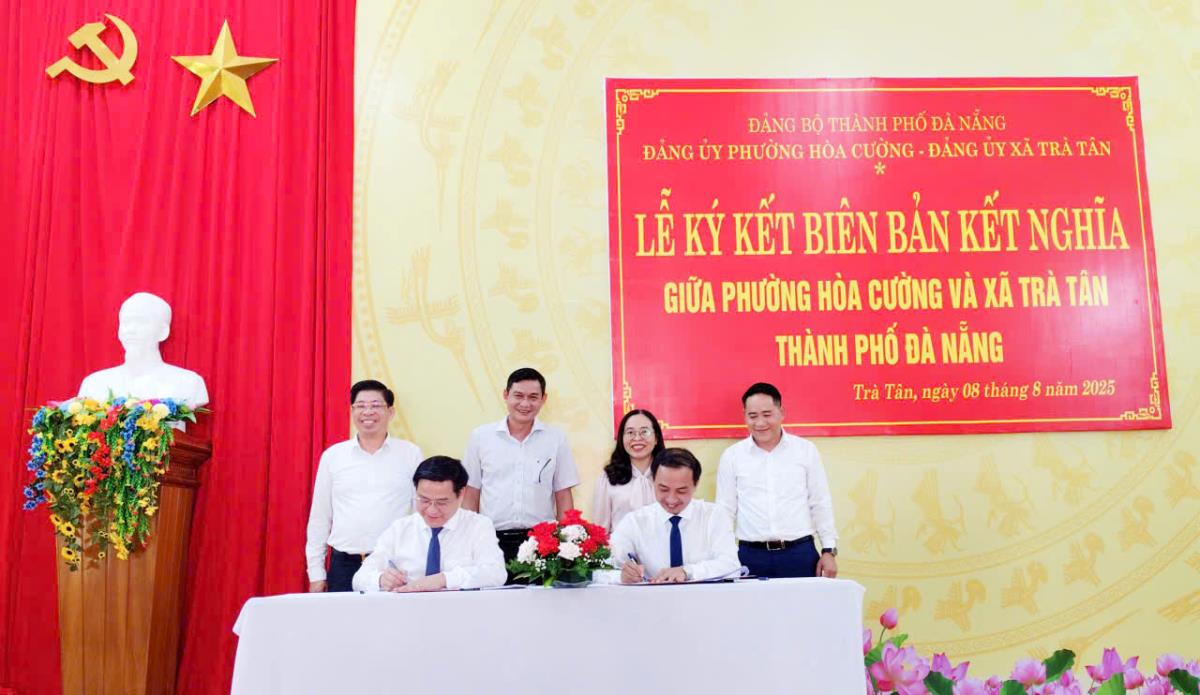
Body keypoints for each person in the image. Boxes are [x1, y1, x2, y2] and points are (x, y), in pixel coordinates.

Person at [305, 380, 422, 592]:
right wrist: (316, 573)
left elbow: (419, 512)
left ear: (391, 412)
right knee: (341, 615)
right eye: (360, 406)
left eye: (376, 405)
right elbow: (320, 517)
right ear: (352, 411)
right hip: (344, 564)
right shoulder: (333, 456)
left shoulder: (410, 454)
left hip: (393, 566)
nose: (368, 412)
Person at [716, 382, 839, 579]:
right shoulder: (732, 456)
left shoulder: (805, 450)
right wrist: (725, 556)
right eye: (752, 416)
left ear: (781, 412)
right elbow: (725, 510)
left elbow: (820, 502)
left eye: (767, 414)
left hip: (799, 553)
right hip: (750, 556)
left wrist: (828, 550)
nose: (760, 423)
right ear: (744, 416)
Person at [462, 367, 579, 572]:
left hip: (541, 543)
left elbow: (563, 495)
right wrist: (468, 539)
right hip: (490, 540)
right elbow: (471, 493)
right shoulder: (481, 437)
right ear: (506, 395)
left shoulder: (556, 439)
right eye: (518, 396)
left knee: (540, 594)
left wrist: (567, 544)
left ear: (543, 399)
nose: (525, 404)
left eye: (533, 397)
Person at [353, 456, 505, 592]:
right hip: (409, 611)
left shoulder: (478, 526)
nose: (432, 510)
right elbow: (359, 579)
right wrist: (381, 579)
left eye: (442, 502)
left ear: (461, 494)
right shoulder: (399, 529)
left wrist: (443, 580)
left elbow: (495, 573)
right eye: (424, 500)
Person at [601, 448, 740, 584]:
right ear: (653, 481)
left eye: (681, 491)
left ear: (695, 484)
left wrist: (687, 572)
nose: (671, 499)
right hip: (652, 598)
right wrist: (621, 576)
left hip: (703, 598)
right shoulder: (635, 522)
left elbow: (732, 566)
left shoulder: (713, 516)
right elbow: (600, 569)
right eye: (663, 489)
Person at [78, 292, 209, 408]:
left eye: (141, 322)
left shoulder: (188, 382)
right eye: (126, 322)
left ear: (163, 331)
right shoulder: (94, 384)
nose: (131, 330)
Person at [593, 409, 664, 532]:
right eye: (630, 432)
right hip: (621, 544)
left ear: (656, 438)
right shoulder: (609, 478)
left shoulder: (669, 475)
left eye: (644, 432)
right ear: (622, 438)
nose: (637, 438)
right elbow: (600, 529)